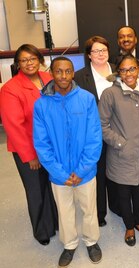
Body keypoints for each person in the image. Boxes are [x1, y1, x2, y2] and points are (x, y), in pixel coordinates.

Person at [33, 57, 103, 267]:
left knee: (89, 209)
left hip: (86, 171)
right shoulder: (41, 104)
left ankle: (91, 241)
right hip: (58, 173)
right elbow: (42, 144)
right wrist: (61, 173)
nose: (63, 76)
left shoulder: (87, 99)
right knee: (64, 211)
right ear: (51, 74)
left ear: (73, 73)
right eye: (59, 72)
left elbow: (94, 138)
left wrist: (82, 169)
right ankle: (70, 244)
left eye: (68, 71)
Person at [0, 44, 58, 246]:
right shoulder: (10, 89)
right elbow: (13, 126)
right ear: (17, 64)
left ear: (39, 60)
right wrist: (30, 155)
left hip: (52, 145)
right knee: (36, 190)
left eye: (32, 58)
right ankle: (42, 230)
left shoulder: (49, 78)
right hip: (29, 149)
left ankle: (55, 222)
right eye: (24, 60)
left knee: (52, 186)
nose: (29, 63)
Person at [98, 54, 139, 247]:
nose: (128, 74)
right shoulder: (109, 94)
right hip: (120, 153)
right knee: (123, 193)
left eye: (132, 69)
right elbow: (102, 125)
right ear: (118, 72)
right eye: (123, 70)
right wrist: (120, 143)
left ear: (138, 68)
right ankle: (129, 226)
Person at [74, 35, 118, 226]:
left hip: (119, 131)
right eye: (96, 51)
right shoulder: (79, 76)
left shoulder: (119, 71)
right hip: (93, 134)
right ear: (89, 55)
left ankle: (117, 206)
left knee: (117, 171)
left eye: (104, 50)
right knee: (98, 173)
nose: (101, 54)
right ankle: (99, 213)